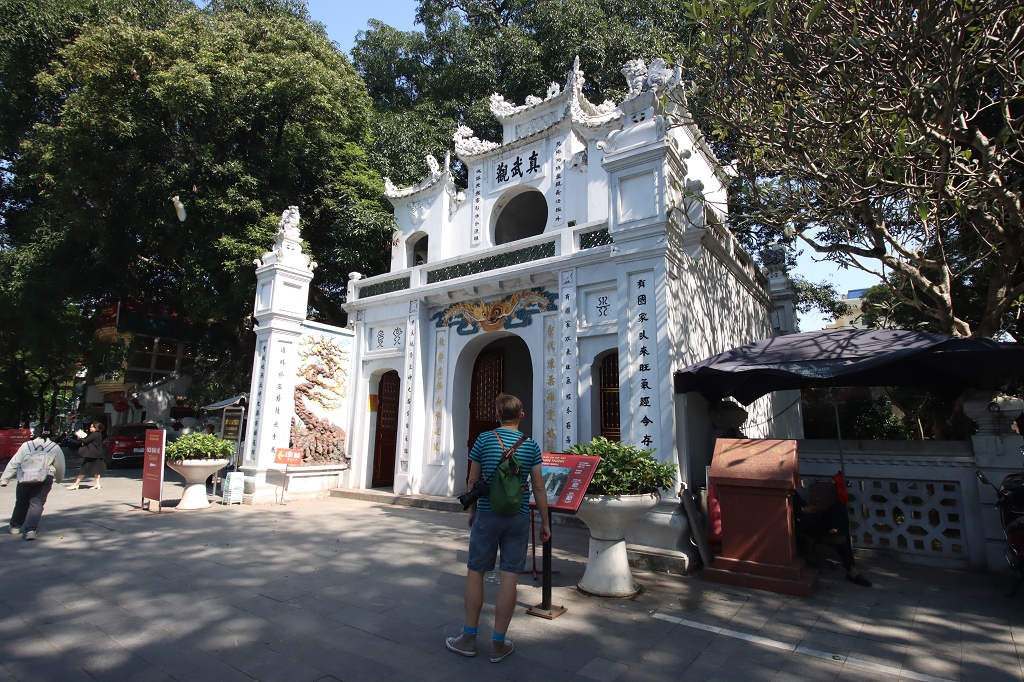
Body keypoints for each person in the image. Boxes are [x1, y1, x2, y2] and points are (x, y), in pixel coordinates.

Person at [446, 394, 550, 663]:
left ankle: (468, 637)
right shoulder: (532, 447)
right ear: (521, 416)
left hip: (488, 514)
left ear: (496, 416)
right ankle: (498, 643)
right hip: (518, 516)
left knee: (476, 572)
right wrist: (545, 522)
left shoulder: (483, 439)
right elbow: (538, 487)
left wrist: (472, 511)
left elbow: (473, 479)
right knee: (509, 577)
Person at [793, 490, 872, 587]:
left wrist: (810, 507)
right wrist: (802, 509)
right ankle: (851, 570)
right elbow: (780, 509)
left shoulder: (792, 490)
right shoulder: (776, 487)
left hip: (812, 518)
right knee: (839, 537)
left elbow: (799, 504)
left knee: (839, 507)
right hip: (803, 525)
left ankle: (833, 531)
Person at [1, 424, 66, 540]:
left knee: (21, 502)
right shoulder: (54, 447)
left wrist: (5, 478)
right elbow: (60, 465)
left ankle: (15, 527)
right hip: (45, 477)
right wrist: (59, 479)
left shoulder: (26, 445)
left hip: (25, 476)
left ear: (36, 432)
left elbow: (14, 462)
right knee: (37, 503)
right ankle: (31, 530)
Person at [66, 421, 106, 490]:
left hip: (92, 454)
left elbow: (85, 441)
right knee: (96, 469)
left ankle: (76, 484)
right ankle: (97, 484)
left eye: (91, 427)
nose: (90, 428)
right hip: (96, 454)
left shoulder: (95, 434)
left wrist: (80, 437)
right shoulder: (97, 434)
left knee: (84, 469)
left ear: (96, 427)